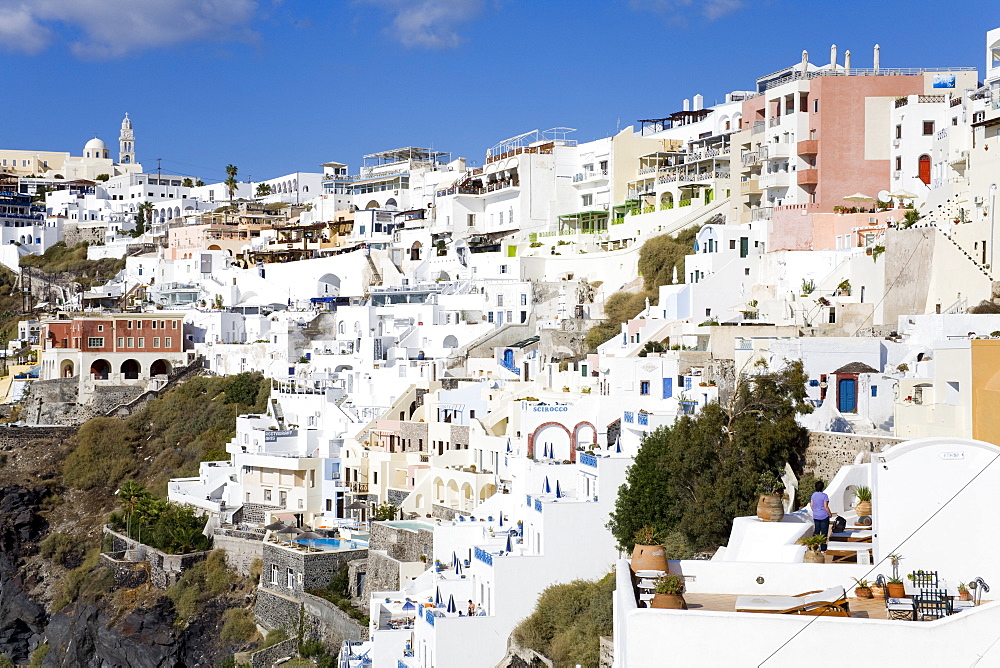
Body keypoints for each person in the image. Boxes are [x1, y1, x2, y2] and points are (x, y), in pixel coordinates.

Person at [811, 481, 832, 551]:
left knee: (816, 531)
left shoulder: (813, 495)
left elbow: (811, 505)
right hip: (824, 516)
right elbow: (826, 506)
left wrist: (816, 511)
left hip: (816, 515)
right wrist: (830, 514)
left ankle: (815, 546)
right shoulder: (824, 495)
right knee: (824, 532)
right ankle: (823, 548)